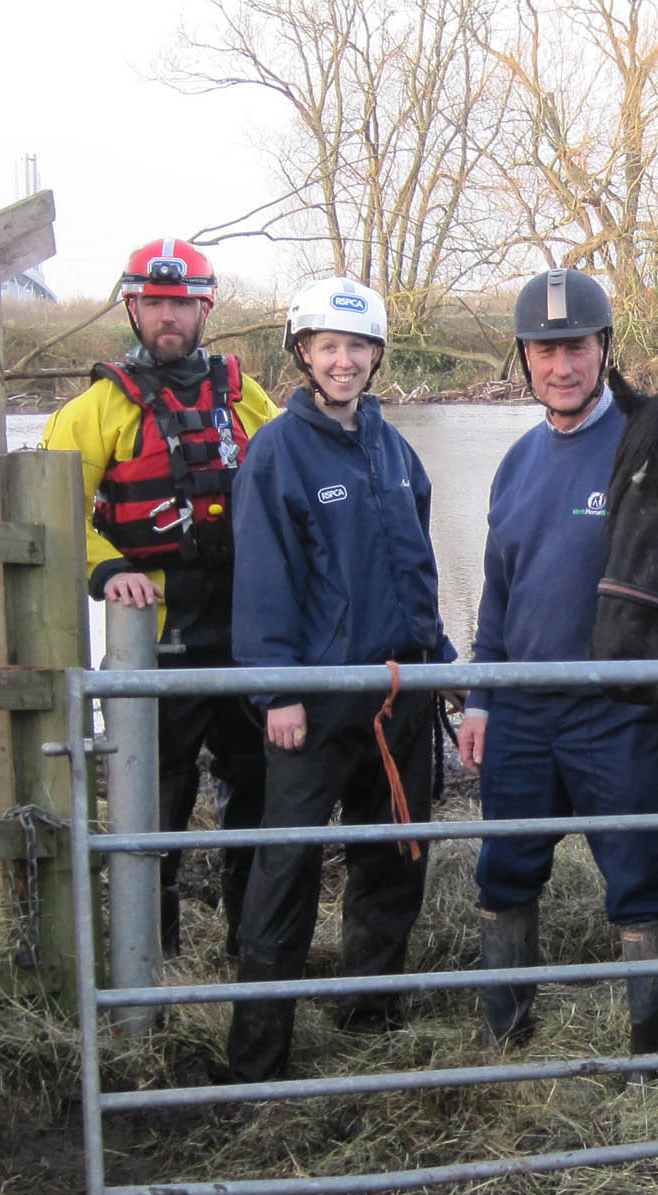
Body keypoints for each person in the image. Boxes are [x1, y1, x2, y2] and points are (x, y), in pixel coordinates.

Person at [455, 268, 658, 1075]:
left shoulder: (649, 450)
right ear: (524, 359)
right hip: (524, 710)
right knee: (506, 871)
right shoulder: (516, 462)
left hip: (617, 710)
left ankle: (652, 1050)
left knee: (639, 876)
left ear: (605, 349)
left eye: (574, 348)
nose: (559, 367)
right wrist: (479, 696)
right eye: (543, 351)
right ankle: (509, 1037)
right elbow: (498, 593)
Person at [222, 275, 455, 1082]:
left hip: (399, 690)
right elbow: (261, 580)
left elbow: (414, 566)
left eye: (358, 347)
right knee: (285, 868)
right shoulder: (277, 454)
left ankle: (372, 1020)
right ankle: (259, 1055)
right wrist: (274, 688)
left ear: (376, 355)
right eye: (329, 347)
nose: (345, 361)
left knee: (393, 857)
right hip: (315, 698)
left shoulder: (394, 449)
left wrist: (442, 657)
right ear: (304, 354)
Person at [42, 237, 275, 957]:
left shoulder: (246, 396)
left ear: (205, 307)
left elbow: (290, 484)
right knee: (156, 797)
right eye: (154, 303)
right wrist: (107, 568)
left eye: (181, 303)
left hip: (244, 635)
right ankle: (154, 956)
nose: (168, 317)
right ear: (133, 307)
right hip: (155, 638)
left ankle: (251, 945)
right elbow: (49, 513)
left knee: (259, 790)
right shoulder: (97, 408)